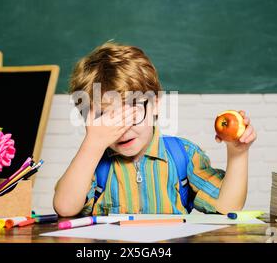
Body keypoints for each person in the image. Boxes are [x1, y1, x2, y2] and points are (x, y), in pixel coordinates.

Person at [53, 42, 257, 216]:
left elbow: (228, 206)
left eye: (132, 116)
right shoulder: (92, 163)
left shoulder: (183, 156)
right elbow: (64, 207)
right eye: (109, 121)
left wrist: (238, 153)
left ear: (156, 103)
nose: (123, 131)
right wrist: (92, 144)